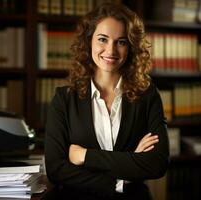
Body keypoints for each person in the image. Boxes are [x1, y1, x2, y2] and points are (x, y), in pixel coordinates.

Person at [44, 2, 169, 200]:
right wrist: (124, 176)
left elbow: (157, 164)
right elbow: (56, 169)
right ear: (88, 41)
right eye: (103, 39)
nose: (110, 51)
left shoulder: (147, 95)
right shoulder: (64, 99)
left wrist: (84, 156)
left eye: (121, 42)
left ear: (131, 47)